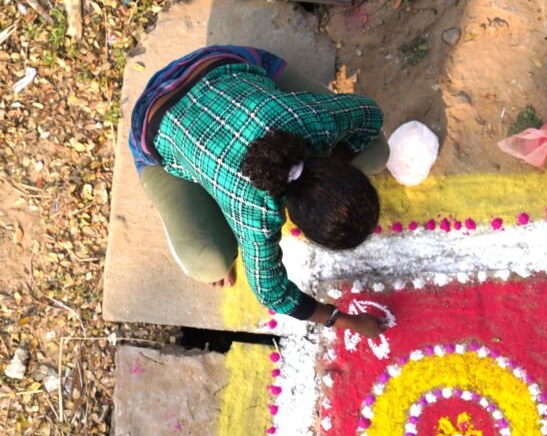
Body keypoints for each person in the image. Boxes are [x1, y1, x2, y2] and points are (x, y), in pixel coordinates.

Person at [128, 45, 390, 336]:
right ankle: (202, 198)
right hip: (153, 125)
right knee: (209, 263)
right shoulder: (256, 212)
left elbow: (370, 113)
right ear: (295, 221)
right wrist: (346, 321)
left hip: (217, 67)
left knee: (377, 152)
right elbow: (272, 294)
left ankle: (211, 182)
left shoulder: (316, 121)